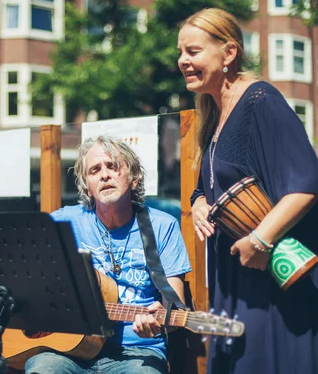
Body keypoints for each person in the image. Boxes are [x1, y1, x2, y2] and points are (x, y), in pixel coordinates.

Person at [177, 8, 318, 374]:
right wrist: (199, 202)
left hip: (275, 279)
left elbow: (306, 187)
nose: (183, 61)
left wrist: (260, 241)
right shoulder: (214, 116)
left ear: (228, 53)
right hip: (239, 279)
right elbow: (208, 186)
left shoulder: (261, 101)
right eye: (181, 53)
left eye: (194, 51)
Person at [24, 135, 192, 374]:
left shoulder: (162, 226)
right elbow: (23, 272)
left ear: (133, 178)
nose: (104, 175)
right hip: (69, 350)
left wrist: (158, 323)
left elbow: (174, 307)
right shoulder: (64, 221)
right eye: (94, 170)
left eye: (113, 166)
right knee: (42, 369)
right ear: (87, 186)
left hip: (137, 353)